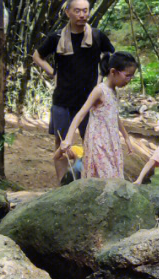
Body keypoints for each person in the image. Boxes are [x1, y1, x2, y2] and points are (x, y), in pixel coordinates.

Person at [32, 0, 115, 183]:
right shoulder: (57, 37)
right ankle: (62, 183)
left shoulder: (96, 35)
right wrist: (53, 72)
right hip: (63, 98)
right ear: (68, 12)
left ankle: (87, 181)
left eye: (85, 10)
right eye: (77, 11)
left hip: (89, 101)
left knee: (91, 142)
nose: (82, 15)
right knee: (61, 144)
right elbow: (37, 56)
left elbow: (112, 56)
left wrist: (102, 79)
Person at [55, 51, 138, 181]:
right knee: (103, 177)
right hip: (98, 141)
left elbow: (114, 116)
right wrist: (68, 139)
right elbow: (81, 114)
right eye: (127, 76)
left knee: (113, 176)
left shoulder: (113, 91)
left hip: (111, 141)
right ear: (113, 72)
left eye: (132, 77)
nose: (129, 80)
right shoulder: (99, 90)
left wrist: (126, 137)